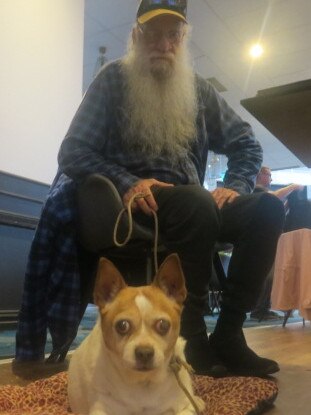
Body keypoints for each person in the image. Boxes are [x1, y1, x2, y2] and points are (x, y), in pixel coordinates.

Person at [15, 0, 285, 378]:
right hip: (129, 204)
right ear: (136, 36)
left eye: (173, 35)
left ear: (183, 39)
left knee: (267, 209)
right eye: (153, 34)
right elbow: (73, 150)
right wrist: (129, 182)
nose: (163, 44)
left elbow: (247, 144)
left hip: (194, 203)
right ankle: (190, 338)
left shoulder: (200, 91)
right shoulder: (113, 80)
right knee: (195, 203)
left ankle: (229, 334)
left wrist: (236, 186)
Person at [250, 166, 303, 321]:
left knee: (270, 276)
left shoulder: (265, 195)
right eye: (269, 175)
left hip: (267, 241)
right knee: (267, 276)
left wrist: (288, 205)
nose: (271, 179)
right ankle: (259, 310)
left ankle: (263, 308)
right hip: (260, 242)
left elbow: (276, 205)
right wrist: (292, 186)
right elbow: (273, 198)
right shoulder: (257, 192)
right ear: (260, 175)